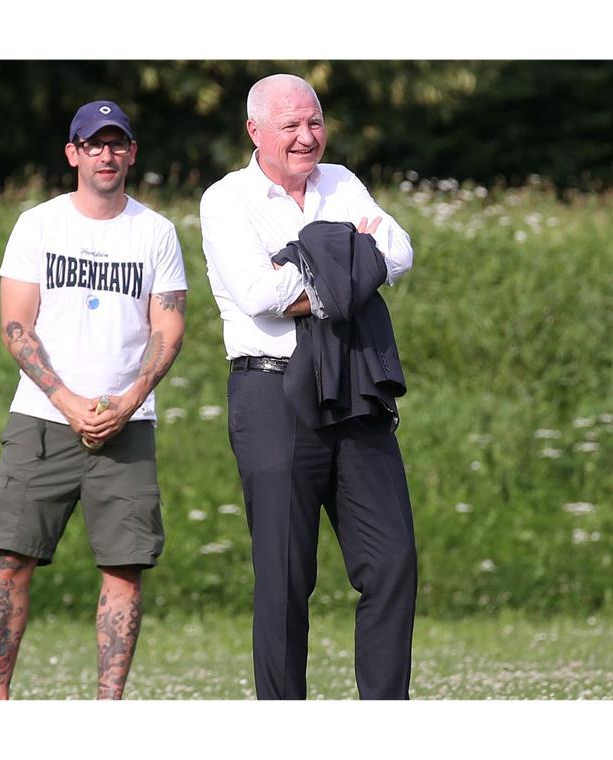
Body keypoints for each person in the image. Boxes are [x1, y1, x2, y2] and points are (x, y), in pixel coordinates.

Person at [199, 74, 417, 700]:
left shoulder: (343, 182)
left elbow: (398, 254)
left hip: (357, 384)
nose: (305, 137)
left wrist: (302, 261)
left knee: (393, 562)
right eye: (290, 125)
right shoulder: (226, 199)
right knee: (286, 577)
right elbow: (260, 296)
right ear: (255, 132)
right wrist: (349, 264)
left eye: (314, 122)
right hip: (272, 396)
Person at [0, 100, 188, 700]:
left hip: (128, 422)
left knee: (124, 570)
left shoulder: (155, 232)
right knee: (12, 561)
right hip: (42, 419)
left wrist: (128, 400)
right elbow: (16, 324)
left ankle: (107, 711)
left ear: (132, 153)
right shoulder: (38, 224)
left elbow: (168, 327)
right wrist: (68, 400)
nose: (107, 154)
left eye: (117, 143)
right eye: (93, 144)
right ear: (72, 153)